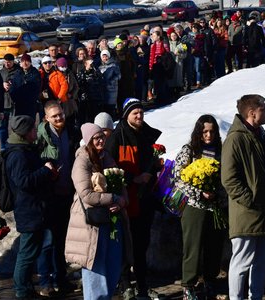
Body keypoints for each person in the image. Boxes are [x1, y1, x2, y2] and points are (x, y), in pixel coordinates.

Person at [221, 94, 265, 300]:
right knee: (241, 262)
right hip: (247, 213)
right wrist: (250, 201)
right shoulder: (235, 139)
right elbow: (229, 178)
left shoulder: (262, 137)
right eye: (264, 109)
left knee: (262, 261)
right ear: (251, 112)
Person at [105, 98, 162, 300]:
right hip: (125, 199)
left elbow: (149, 161)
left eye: (141, 112)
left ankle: (142, 285)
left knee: (141, 243)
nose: (139, 116)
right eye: (135, 113)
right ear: (126, 115)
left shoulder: (146, 135)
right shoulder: (117, 137)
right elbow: (109, 168)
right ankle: (125, 283)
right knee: (124, 243)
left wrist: (156, 166)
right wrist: (133, 178)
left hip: (144, 198)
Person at [65, 122, 129, 300]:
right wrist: (114, 199)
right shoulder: (82, 161)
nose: (101, 140)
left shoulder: (106, 157)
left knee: (113, 263)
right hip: (91, 222)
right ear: (88, 140)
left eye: (102, 136)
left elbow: (120, 182)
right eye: (96, 138)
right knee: (96, 264)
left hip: (111, 219)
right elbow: (86, 194)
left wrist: (122, 201)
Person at [175, 115, 227, 300]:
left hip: (215, 207)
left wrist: (218, 194)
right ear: (198, 132)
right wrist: (199, 193)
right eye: (204, 131)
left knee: (214, 246)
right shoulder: (190, 150)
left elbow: (226, 177)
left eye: (212, 131)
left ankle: (210, 281)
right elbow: (178, 177)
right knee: (193, 246)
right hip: (194, 205)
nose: (208, 135)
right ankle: (188, 285)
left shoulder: (220, 151)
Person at [5, 115, 56, 299]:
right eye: (33, 129)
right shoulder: (17, 154)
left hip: (35, 208)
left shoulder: (25, 150)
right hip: (28, 210)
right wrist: (45, 171)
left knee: (32, 250)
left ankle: (26, 287)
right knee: (26, 253)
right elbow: (23, 181)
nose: (36, 131)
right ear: (25, 133)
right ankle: (20, 290)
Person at [35, 101, 77, 296]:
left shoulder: (72, 131)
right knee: (48, 240)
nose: (59, 118)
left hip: (67, 192)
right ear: (46, 118)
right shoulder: (41, 137)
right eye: (54, 116)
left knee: (61, 240)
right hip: (49, 195)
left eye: (60, 114)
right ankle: (45, 281)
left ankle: (61, 278)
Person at [0, 53, 20, 152]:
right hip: (4, 102)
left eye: (9, 62)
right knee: (3, 126)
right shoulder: (0, 73)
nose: (7, 64)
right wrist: (2, 85)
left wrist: (13, 84)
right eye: (6, 62)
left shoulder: (18, 71)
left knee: (16, 125)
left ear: (13, 61)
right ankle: (4, 146)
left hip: (15, 102)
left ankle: (16, 144)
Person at [9, 53, 42, 119]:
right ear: (21, 63)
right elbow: (13, 88)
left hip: (31, 104)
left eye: (27, 61)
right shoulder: (17, 74)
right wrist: (15, 99)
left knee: (30, 123)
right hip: (19, 103)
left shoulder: (35, 73)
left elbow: (37, 88)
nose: (25, 63)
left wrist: (31, 98)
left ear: (30, 62)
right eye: (23, 61)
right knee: (20, 123)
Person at [98, 50, 121, 117]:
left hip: (112, 89)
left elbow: (119, 76)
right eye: (103, 57)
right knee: (104, 107)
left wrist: (112, 81)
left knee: (111, 107)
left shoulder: (114, 65)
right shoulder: (100, 67)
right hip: (103, 90)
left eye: (106, 56)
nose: (105, 58)